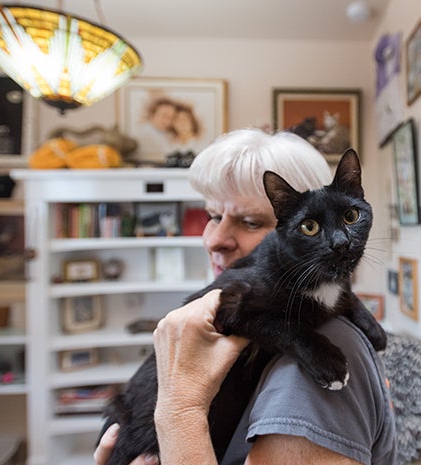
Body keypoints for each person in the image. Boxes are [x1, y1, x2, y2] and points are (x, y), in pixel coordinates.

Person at [95, 129, 397, 465]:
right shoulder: (295, 313)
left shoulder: (312, 365)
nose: (214, 240)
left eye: (251, 221)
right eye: (213, 216)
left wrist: (179, 411)